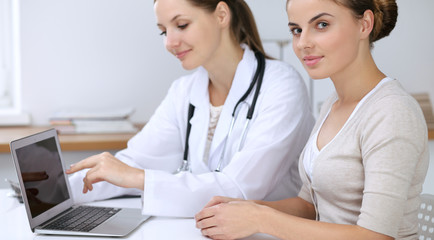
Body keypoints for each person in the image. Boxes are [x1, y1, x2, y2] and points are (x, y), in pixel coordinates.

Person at [195, 0, 429, 239]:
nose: (303, 43)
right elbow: (311, 206)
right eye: (297, 30)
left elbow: (376, 236)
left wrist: (260, 219)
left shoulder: (392, 112)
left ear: (364, 24)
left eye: (322, 24)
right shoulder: (333, 104)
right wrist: (248, 209)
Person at [66, 0, 314, 217]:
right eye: (163, 31)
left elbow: (238, 190)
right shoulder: (184, 92)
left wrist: (138, 178)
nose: (170, 43)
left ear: (221, 16)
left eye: (181, 25)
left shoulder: (281, 85)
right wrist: (53, 193)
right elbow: (134, 162)